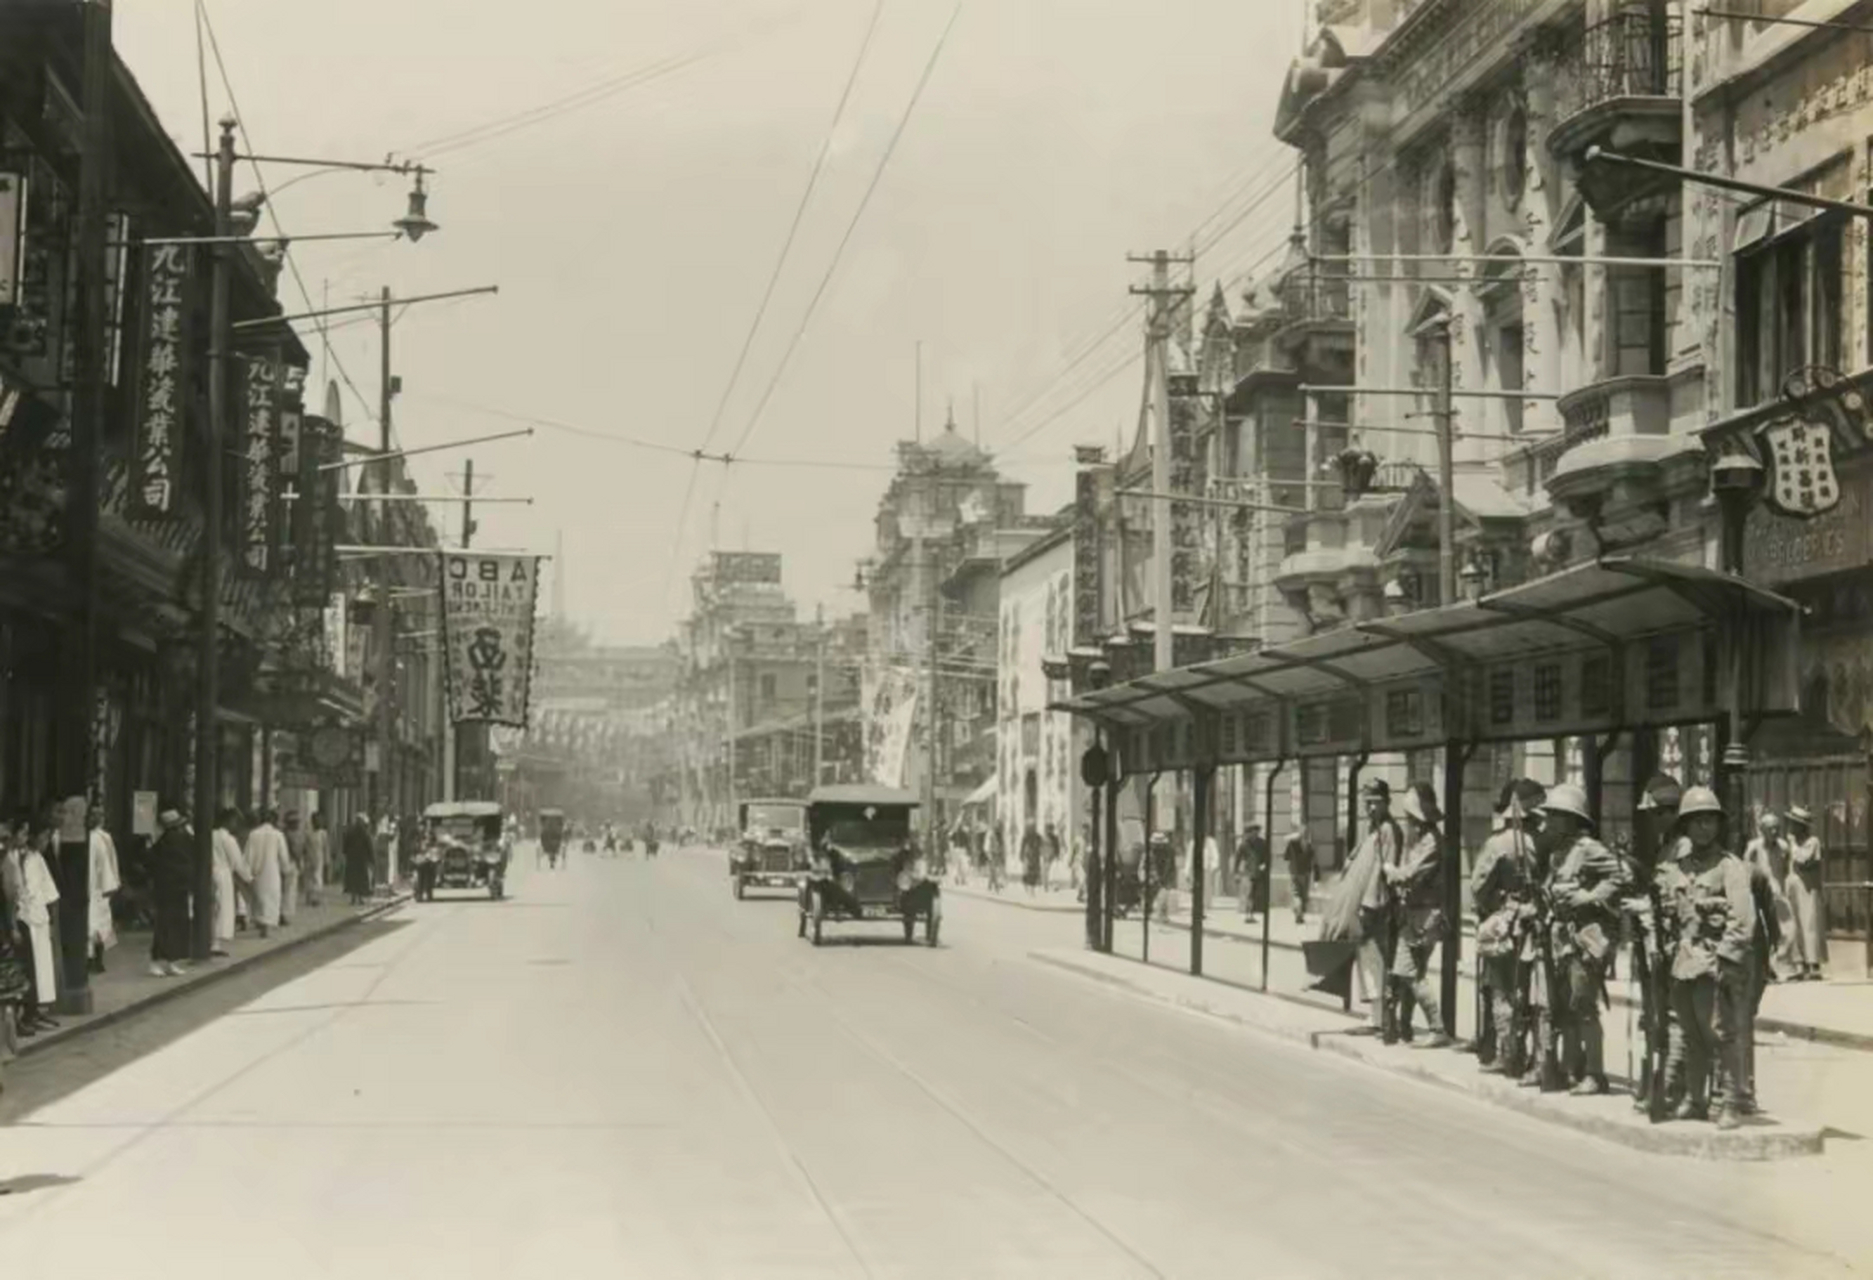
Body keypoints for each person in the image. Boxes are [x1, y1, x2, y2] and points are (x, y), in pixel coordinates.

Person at [1657, 785, 1756, 1129]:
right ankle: (1696, 1099)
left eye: (1710, 820)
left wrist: (1727, 960)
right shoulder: (1677, 867)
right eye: (1697, 821)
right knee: (1692, 1033)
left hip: (1714, 963)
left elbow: (1743, 920)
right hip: (1682, 961)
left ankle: (1731, 1101)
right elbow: (1667, 909)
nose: (1704, 827)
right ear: (1685, 825)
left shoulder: (1730, 867)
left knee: (1722, 1033)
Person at [1539, 782, 1629, 1096]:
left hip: (1585, 938)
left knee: (1584, 1005)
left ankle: (1595, 1073)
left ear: (1571, 818)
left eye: (1555, 815)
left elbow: (1619, 875)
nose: (1548, 821)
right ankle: (1571, 1068)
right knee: (1565, 1005)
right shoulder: (1558, 853)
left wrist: (1588, 897)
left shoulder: (1589, 848)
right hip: (1562, 938)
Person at [1471, 778, 1544, 1077]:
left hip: (1506, 922)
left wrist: (1495, 902)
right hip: (1537, 921)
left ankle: (1510, 1053)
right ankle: (1537, 1056)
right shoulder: (1543, 841)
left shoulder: (1498, 843)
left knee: (1502, 990)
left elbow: (1477, 886)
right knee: (1532, 992)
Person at [1383, 782, 1452, 1049]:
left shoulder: (1431, 842)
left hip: (1424, 917)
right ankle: (1406, 1027)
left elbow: (1409, 874)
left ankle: (1437, 1028)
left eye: (1411, 817)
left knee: (1410, 973)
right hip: (1416, 915)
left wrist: (1391, 871)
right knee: (1410, 971)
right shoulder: (1422, 840)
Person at [1340, 779, 1404, 1040]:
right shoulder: (1373, 830)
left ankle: (1381, 1019)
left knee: (1376, 960)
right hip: (1366, 904)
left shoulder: (1389, 830)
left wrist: (1370, 904)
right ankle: (1375, 1016)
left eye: (1375, 802)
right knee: (1368, 959)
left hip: (1377, 906)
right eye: (1367, 803)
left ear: (1386, 802)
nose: (1370, 808)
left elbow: (1383, 869)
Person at [148, 805, 194, 979]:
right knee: (166, 925)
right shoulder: (169, 842)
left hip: (176, 888)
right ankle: (158, 960)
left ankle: (170, 960)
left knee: (174, 925)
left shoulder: (170, 841)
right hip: (169, 889)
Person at [1784, 806, 1826, 980]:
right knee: (1793, 922)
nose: (1791, 827)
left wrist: (1793, 844)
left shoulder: (1812, 842)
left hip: (1807, 888)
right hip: (1792, 885)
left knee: (1809, 922)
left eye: (1794, 824)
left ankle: (1813, 963)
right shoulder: (1790, 843)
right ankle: (1798, 963)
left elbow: (1802, 860)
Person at [210, 808, 250, 957]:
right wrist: (248, 878)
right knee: (222, 908)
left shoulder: (210, 834)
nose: (236, 825)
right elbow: (237, 862)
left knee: (213, 909)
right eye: (235, 821)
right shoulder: (228, 839)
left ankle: (210, 940)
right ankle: (215, 943)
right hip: (223, 873)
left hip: (209, 873)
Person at [86, 803, 120, 974]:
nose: (96, 817)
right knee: (88, 925)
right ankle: (88, 959)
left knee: (101, 924)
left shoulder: (104, 838)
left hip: (99, 887)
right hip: (85, 886)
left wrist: (111, 883)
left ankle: (98, 960)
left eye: (100, 814)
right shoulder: (81, 836)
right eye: (93, 814)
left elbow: (110, 861)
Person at [244, 808, 287, 938]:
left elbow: (248, 856)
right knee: (271, 897)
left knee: (259, 897)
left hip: (258, 870)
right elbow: (283, 856)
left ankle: (261, 923)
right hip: (272, 870)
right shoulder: (278, 835)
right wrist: (285, 869)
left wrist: (248, 872)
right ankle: (267, 927)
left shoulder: (253, 834)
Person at [1283, 826, 1315, 926]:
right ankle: (1300, 915)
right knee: (1303, 894)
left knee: (1296, 893)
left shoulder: (1292, 844)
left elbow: (1286, 857)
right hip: (1306, 873)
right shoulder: (1309, 846)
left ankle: (1298, 913)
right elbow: (1312, 861)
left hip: (1294, 872)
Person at [1236, 824, 1268, 923]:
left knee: (1254, 894)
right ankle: (1248, 915)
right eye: (1253, 832)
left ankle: (1250, 914)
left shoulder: (1262, 843)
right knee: (1248, 894)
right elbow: (1238, 859)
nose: (1255, 834)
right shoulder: (1244, 845)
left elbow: (1266, 857)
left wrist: (1264, 867)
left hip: (1258, 872)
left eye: (1257, 832)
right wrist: (1236, 873)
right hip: (1247, 872)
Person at [343, 814, 375, 905]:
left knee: (353, 879)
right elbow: (369, 846)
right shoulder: (364, 833)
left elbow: (345, 845)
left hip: (353, 858)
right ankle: (359, 898)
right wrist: (371, 858)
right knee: (359, 879)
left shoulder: (351, 832)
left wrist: (345, 853)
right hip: (360, 859)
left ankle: (354, 898)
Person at [282, 811, 307, 922]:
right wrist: (299, 862)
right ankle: (285, 913)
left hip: (287, 864)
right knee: (289, 890)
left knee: (288, 890)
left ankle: (285, 913)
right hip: (290, 864)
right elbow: (295, 851)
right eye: (295, 822)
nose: (297, 825)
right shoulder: (289, 835)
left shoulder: (287, 834)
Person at [305, 812, 329, 908]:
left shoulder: (323, 833)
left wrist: (327, 860)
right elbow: (305, 846)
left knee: (317, 878)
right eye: (315, 820)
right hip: (309, 858)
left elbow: (326, 847)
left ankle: (316, 898)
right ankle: (310, 897)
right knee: (309, 879)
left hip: (319, 858)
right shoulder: (308, 833)